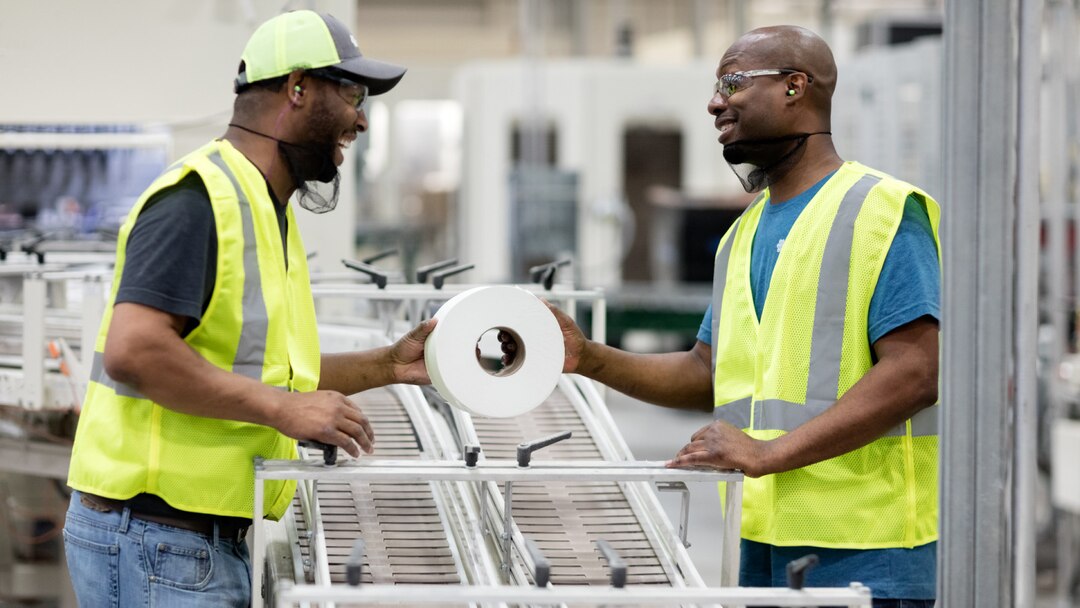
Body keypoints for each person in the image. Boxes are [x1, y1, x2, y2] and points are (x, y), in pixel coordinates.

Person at [545, 25, 939, 606]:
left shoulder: (880, 210)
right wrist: (588, 357)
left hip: (867, 553)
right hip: (758, 538)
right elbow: (708, 371)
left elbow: (916, 372)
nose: (714, 102)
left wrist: (768, 453)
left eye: (732, 82)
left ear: (794, 87)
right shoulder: (742, 234)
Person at [62, 11, 434, 606]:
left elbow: (267, 370)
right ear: (297, 88)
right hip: (157, 542)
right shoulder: (197, 200)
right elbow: (136, 351)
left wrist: (391, 365)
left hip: (186, 542)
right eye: (352, 93)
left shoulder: (264, 207)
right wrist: (283, 412)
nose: (360, 118)